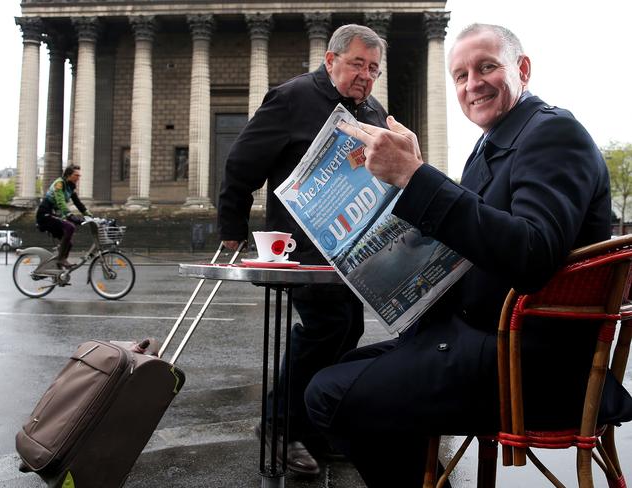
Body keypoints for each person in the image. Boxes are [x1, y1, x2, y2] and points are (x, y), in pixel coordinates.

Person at [304, 23, 632, 486]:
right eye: (460, 75)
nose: (472, 84)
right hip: (488, 342)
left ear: (522, 69)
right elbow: (474, 236)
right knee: (340, 370)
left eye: (486, 67)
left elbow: (533, 254)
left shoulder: (554, 134)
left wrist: (418, 178)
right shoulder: (496, 143)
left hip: (530, 365)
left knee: (328, 394)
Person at [217, 24, 389, 475]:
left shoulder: (372, 112)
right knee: (326, 325)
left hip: (354, 245)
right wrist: (231, 226)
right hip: (301, 246)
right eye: (357, 64)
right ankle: (278, 425)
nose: (366, 76)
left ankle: (313, 430)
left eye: (373, 68)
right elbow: (242, 162)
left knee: (348, 329)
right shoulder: (292, 98)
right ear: (330, 60)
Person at [36, 164, 92, 268]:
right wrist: (70, 215)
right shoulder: (59, 184)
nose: (78, 178)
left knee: (69, 244)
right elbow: (60, 201)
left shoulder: (70, 187)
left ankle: (58, 270)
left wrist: (90, 216)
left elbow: (78, 203)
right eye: (76, 175)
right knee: (70, 227)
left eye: (79, 175)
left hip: (54, 215)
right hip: (45, 214)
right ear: (68, 175)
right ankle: (61, 260)